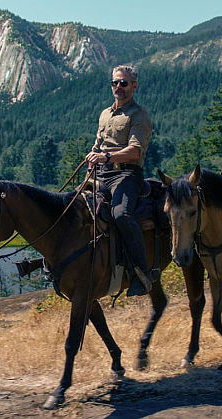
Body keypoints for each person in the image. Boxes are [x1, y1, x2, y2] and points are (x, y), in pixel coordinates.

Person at [84, 65, 154, 296]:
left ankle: (141, 273)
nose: (118, 87)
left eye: (124, 83)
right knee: (72, 207)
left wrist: (107, 156)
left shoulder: (139, 115)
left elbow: (135, 151)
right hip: (101, 173)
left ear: (134, 86)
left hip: (126, 174)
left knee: (120, 214)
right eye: (115, 83)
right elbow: (98, 144)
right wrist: (92, 160)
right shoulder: (105, 114)